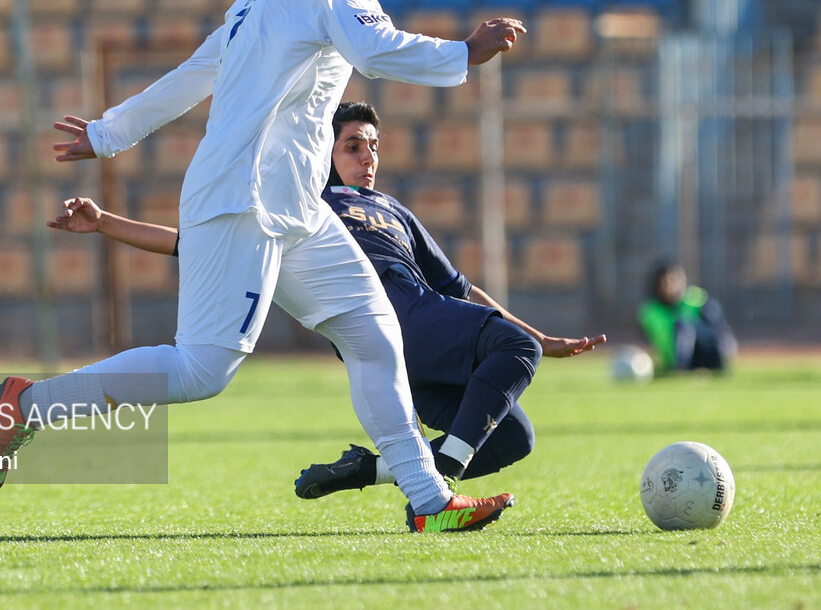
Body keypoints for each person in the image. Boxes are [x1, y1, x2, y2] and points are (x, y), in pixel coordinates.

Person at [0, 0, 526, 534]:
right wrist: (466, 51)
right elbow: (376, 53)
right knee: (202, 369)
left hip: (293, 205)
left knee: (376, 335)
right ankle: (31, 403)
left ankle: (428, 501)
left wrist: (108, 132)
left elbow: (192, 73)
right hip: (244, 198)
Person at [46, 101, 608, 500]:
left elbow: (459, 289)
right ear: (323, 151)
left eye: (374, 146)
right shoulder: (303, 209)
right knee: (509, 347)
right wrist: (105, 224)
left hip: (422, 329)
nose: (368, 156)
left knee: (514, 436)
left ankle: (373, 471)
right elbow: (188, 243)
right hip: (387, 321)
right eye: (353, 145)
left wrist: (538, 336)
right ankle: (433, 497)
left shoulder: (393, 210)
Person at [637, 260, 737, 374]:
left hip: (707, 355)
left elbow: (720, 329)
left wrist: (726, 352)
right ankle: (679, 367)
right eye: (665, 281)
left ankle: (682, 369)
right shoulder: (650, 311)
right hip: (674, 360)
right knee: (681, 326)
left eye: (674, 280)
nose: (670, 285)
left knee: (683, 325)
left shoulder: (696, 299)